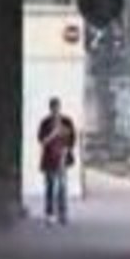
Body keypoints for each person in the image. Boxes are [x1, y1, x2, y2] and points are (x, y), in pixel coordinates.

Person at [37, 97, 76, 226]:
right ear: (50, 109)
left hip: (62, 159)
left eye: (57, 108)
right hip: (49, 160)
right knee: (50, 186)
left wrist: (67, 149)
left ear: (60, 108)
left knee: (62, 187)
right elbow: (42, 141)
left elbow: (72, 139)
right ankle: (49, 214)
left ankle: (62, 214)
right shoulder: (45, 123)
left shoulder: (67, 121)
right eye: (53, 108)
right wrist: (54, 133)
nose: (56, 110)